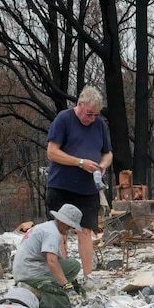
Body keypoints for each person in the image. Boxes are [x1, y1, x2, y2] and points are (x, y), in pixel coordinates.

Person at [46, 85, 113, 290]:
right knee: (61, 232)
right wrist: (80, 162)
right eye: (89, 114)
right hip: (62, 185)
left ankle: (88, 276)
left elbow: (108, 153)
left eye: (95, 115)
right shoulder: (64, 119)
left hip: (88, 188)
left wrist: (103, 165)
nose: (91, 118)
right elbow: (52, 152)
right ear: (80, 105)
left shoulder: (100, 124)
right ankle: (64, 277)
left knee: (86, 231)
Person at [13, 203, 84, 308]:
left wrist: (70, 283)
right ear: (61, 221)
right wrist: (67, 286)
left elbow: (57, 260)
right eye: (69, 225)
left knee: (74, 265)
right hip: (30, 273)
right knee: (65, 301)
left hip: (26, 268)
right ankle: (36, 294)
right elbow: (52, 262)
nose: (70, 228)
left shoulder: (46, 227)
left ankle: (43, 287)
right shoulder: (52, 233)